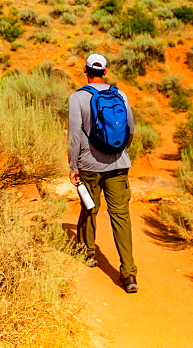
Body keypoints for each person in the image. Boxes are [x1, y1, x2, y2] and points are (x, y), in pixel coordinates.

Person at [68, 53, 138, 293]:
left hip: (89, 165)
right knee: (121, 216)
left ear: (85, 71)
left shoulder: (78, 97)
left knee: (90, 208)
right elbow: (129, 129)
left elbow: (75, 135)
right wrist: (118, 151)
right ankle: (128, 274)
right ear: (105, 71)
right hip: (118, 164)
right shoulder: (120, 95)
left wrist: (73, 166)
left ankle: (88, 253)